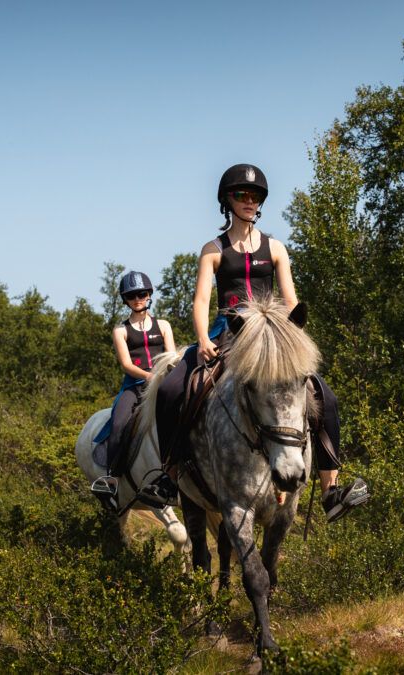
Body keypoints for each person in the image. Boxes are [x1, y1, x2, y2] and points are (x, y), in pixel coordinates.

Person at [152, 163, 369, 522]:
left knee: (323, 395)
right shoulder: (213, 249)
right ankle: (168, 477)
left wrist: (294, 339)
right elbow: (201, 301)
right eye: (242, 195)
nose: (250, 201)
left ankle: (331, 490)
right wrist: (204, 338)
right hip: (229, 332)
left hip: (270, 338)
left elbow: (291, 300)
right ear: (228, 201)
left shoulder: (277, 248)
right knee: (173, 389)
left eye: (255, 196)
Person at [90, 272, 176, 507]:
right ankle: (111, 479)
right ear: (125, 299)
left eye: (142, 293)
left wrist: (164, 377)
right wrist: (151, 376)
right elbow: (127, 365)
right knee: (118, 424)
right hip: (134, 387)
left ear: (149, 295)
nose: (138, 298)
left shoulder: (164, 325)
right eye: (132, 295)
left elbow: (172, 356)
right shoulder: (121, 330)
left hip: (162, 385)